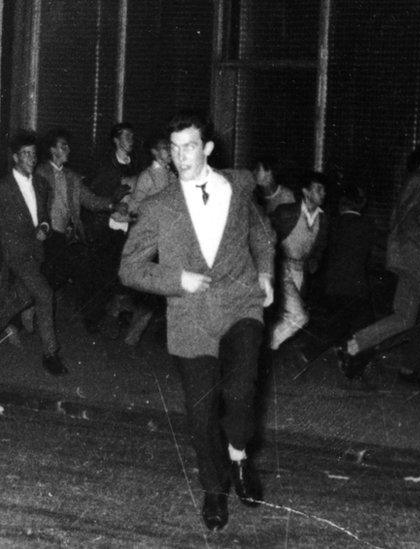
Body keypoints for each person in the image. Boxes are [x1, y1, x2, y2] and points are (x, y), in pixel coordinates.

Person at [119, 112, 275, 532]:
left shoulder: (240, 184)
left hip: (241, 303)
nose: (180, 156)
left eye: (189, 146)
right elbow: (129, 268)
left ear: (206, 148)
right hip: (191, 318)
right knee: (201, 413)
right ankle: (214, 489)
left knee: (241, 393)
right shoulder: (157, 206)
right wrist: (176, 279)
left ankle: (239, 455)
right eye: (174, 147)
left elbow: (262, 232)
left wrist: (265, 272)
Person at [337, 141, 420, 398]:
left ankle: (352, 346)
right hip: (418, 258)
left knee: (404, 317)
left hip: (410, 258)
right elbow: (406, 220)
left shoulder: (419, 182)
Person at [0, 130, 67, 375]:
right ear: (15, 158)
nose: (31, 158)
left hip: (35, 254)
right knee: (44, 294)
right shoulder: (4, 188)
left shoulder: (41, 184)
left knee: (17, 300)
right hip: (15, 255)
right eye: (26, 154)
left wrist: (45, 227)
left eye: (33, 154)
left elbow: (45, 218)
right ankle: (51, 354)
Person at [34, 129, 117, 300]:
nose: (68, 149)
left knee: (59, 277)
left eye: (68, 146)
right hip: (46, 234)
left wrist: (112, 203)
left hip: (65, 235)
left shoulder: (72, 177)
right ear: (52, 150)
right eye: (63, 146)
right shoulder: (41, 172)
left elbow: (90, 200)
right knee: (47, 278)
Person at [119, 135, 179, 346]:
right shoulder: (148, 177)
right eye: (165, 149)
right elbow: (135, 207)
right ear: (154, 151)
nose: (170, 153)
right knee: (151, 292)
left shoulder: (172, 175)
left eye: (171, 149)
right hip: (151, 240)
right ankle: (132, 336)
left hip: (170, 238)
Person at [85, 122, 142, 337]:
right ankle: (92, 319)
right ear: (115, 140)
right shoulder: (106, 166)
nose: (130, 140)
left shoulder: (137, 165)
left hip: (130, 227)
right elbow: (94, 194)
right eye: (126, 136)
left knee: (125, 274)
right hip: (107, 227)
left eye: (132, 136)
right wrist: (113, 196)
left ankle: (120, 314)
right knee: (102, 274)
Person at [317, 184, 376, 382]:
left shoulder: (333, 223)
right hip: (357, 288)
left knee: (340, 325)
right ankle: (353, 365)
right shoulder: (367, 225)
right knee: (362, 328)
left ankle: (339, 352)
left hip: (333, 286)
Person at [268, 172, 329, 351]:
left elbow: (321, 246)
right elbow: (265, 233)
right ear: (305, 191)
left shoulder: (324, 219)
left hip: (299, 270)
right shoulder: (286, 212)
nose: (323, 193)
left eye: (324, 189)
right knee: (298, 316)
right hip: (281, 266)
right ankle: (267, 346)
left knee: (286, 315)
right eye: (318, 189)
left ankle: (266, 349)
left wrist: (315, 261)